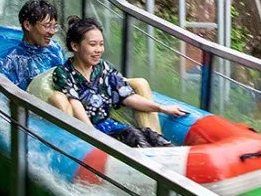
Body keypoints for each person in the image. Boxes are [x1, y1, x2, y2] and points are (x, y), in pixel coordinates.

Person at [53, 16, 187, 148]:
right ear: (75, 46)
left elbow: (127, 96)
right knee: (134, 136)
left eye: (101, 44)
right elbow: (75, 103)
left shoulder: (103, 67)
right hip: (95, 133)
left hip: (113, 128)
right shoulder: (64, 73)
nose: (99, 50)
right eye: (93, 44)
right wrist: (91, 134)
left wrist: (162, 108)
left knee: (150, 135)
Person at [0, 0, 66, 90]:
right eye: (47, 26)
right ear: (28, 25)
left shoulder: (55, 49)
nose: (52, 32)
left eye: (54, 26)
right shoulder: (9, 61)